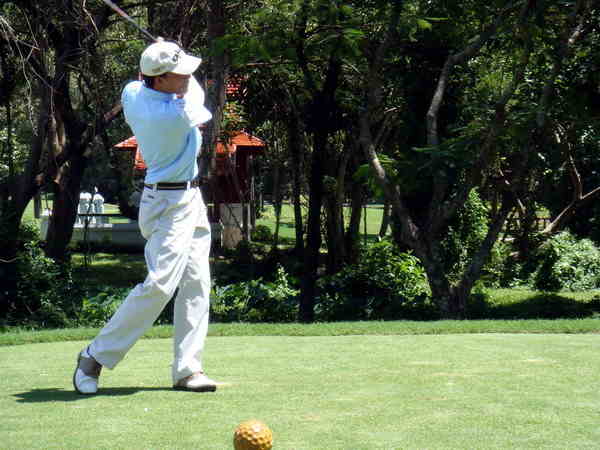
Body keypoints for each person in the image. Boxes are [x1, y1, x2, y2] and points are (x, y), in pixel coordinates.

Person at [73, 39, 215, 394]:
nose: (187, 76)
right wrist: (168, 56)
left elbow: (146, 79)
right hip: (168, 204)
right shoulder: (175, 114)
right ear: (160, 79)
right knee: (161, 284)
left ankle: (188, 369)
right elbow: (198, 97)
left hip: (189, 197)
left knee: (197, 282)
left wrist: (165, 53)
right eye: (179, 72)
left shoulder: (133, 93)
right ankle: (94, 356)